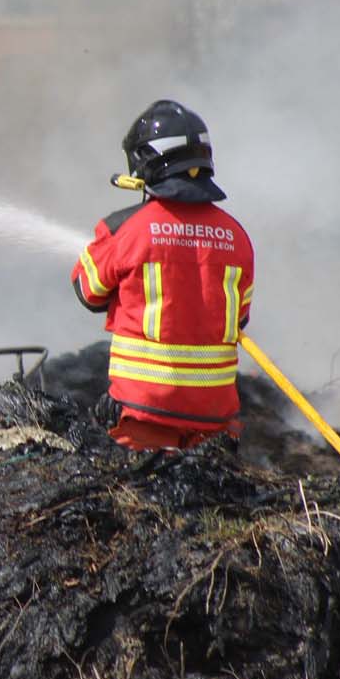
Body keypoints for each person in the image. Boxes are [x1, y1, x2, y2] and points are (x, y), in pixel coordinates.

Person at [71, 100, 254, 452]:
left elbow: (87, 290)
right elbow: (239, 318)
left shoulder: (126, 228)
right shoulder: (237, 237)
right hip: (213, 421)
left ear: (144, 164)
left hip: (144, 415)